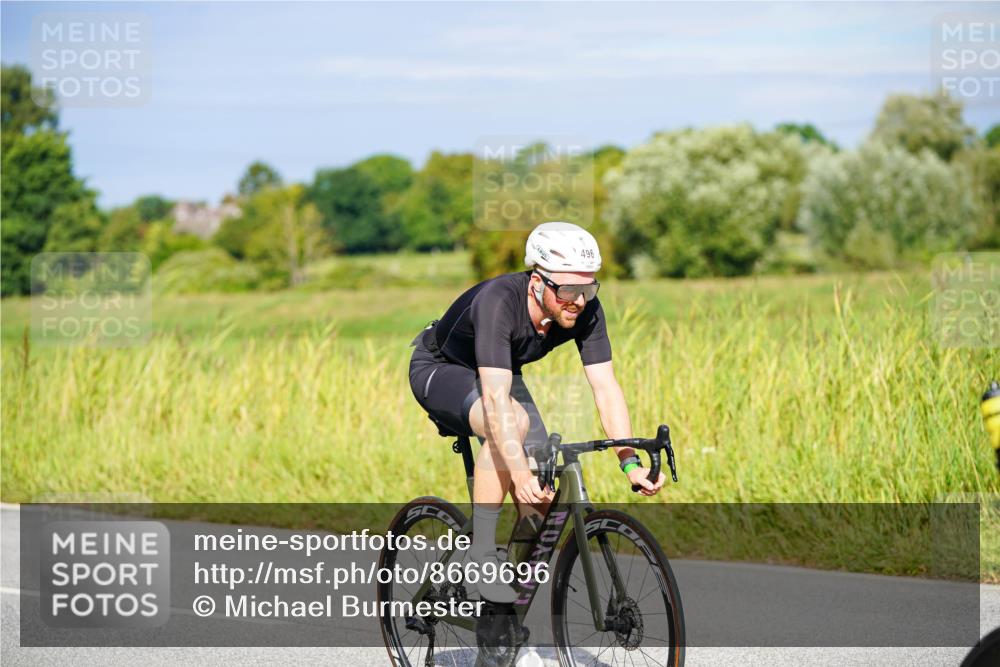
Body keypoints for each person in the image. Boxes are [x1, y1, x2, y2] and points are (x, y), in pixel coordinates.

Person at [408, 221, 666, 602]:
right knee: (512, 425)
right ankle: (482, 554)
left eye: (587, 288)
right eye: (568, 290)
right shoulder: (498, 301)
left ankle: (501, 619)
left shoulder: (586, 309)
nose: (578, 301)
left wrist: (629, 462)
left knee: (540, 501)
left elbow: (606, 387)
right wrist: (517, 470)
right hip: (441, 368)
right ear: (537, 282)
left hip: (499, 372)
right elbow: (496, 402)